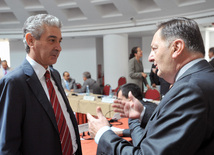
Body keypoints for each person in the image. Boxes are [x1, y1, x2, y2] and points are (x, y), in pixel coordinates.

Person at [87, 17, 214, 154]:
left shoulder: (190, 88)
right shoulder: (203, 77)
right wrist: (143, 113)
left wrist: (103, 134)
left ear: (176, 48)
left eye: (154, 49)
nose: (150, 57)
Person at [0, 14, 82, 155]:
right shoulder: (14, 82)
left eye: (59, 41)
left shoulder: (54, 74)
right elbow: (8, 144)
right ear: (30, 40)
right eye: (52, 40)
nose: (59, 48)